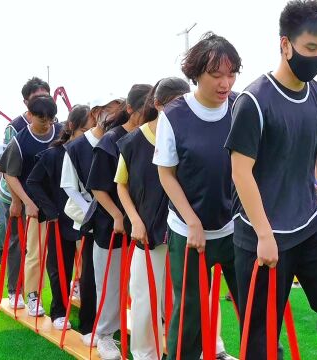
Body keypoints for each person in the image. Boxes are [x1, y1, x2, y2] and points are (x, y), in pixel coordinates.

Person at [225, 1, 317, 358]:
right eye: (311, 48)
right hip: (262, 235)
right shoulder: (254, 100)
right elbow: (241, 172)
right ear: (285, 45)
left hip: (309, 225)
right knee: (261, 333)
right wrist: (264, 235)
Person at [154, 33, 241, 360]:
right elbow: (166, 174)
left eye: (231, 74)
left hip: (235, 226)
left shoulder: (239, 108)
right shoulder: (174, 116)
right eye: (216, 75)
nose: (225, 83)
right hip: (188, 231)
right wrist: (191, 221)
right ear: (196, 75)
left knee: (255, 308)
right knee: (190, 313)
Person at [115, 78, 190, 360]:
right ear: (157, 105)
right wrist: (134, 220)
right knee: (145, 298)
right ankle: (146, 353)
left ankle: (204, 347)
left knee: (190, 295)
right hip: (147, 231)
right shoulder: (134, 142)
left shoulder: (189, 135)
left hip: (184, 230)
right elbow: (121, 184)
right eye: (175, 105)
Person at [86, 84, 151, 360]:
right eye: (145, 110)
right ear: (130, 109)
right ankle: (104, 336)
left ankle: (143, 335)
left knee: (139, 286)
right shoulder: (110, 142)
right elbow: (98, 187)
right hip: (110, 226)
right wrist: (116, 215)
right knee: (110, 284)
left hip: (142, 225)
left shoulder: (150, 136)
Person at [61, 97, 122, 347]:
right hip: (89, 219)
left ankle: (109, 326)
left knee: (112, 276)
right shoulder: (76, 147)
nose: (119, 120)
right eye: (114, 114)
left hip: (114, 218)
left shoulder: (118, 140)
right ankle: (88, 325)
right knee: (89, 274)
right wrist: (92, 212)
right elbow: (69, 185)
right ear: (98, 113)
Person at [26, 105, 93, 330]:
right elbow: (33, 182)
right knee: (60, 267)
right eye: (85, 130)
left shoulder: (93, 151)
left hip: (88, 220)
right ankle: (59, 312)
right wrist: (51, 210)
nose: (89, 135)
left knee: (89, 270)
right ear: (72, 127)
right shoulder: (54, 154)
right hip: (60, 220)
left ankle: (89, 314)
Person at [0, 95, 62, 317]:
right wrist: (25, 202)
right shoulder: (20, 141)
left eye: (50, 119)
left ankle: (73, 287)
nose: (47, 123)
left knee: (67, 251)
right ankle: (33, 295)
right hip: (35, 204)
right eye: (41, 119)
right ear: (30, 115)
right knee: (35, 251)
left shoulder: (61, 133)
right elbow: (10, 174)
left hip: (62, 202)